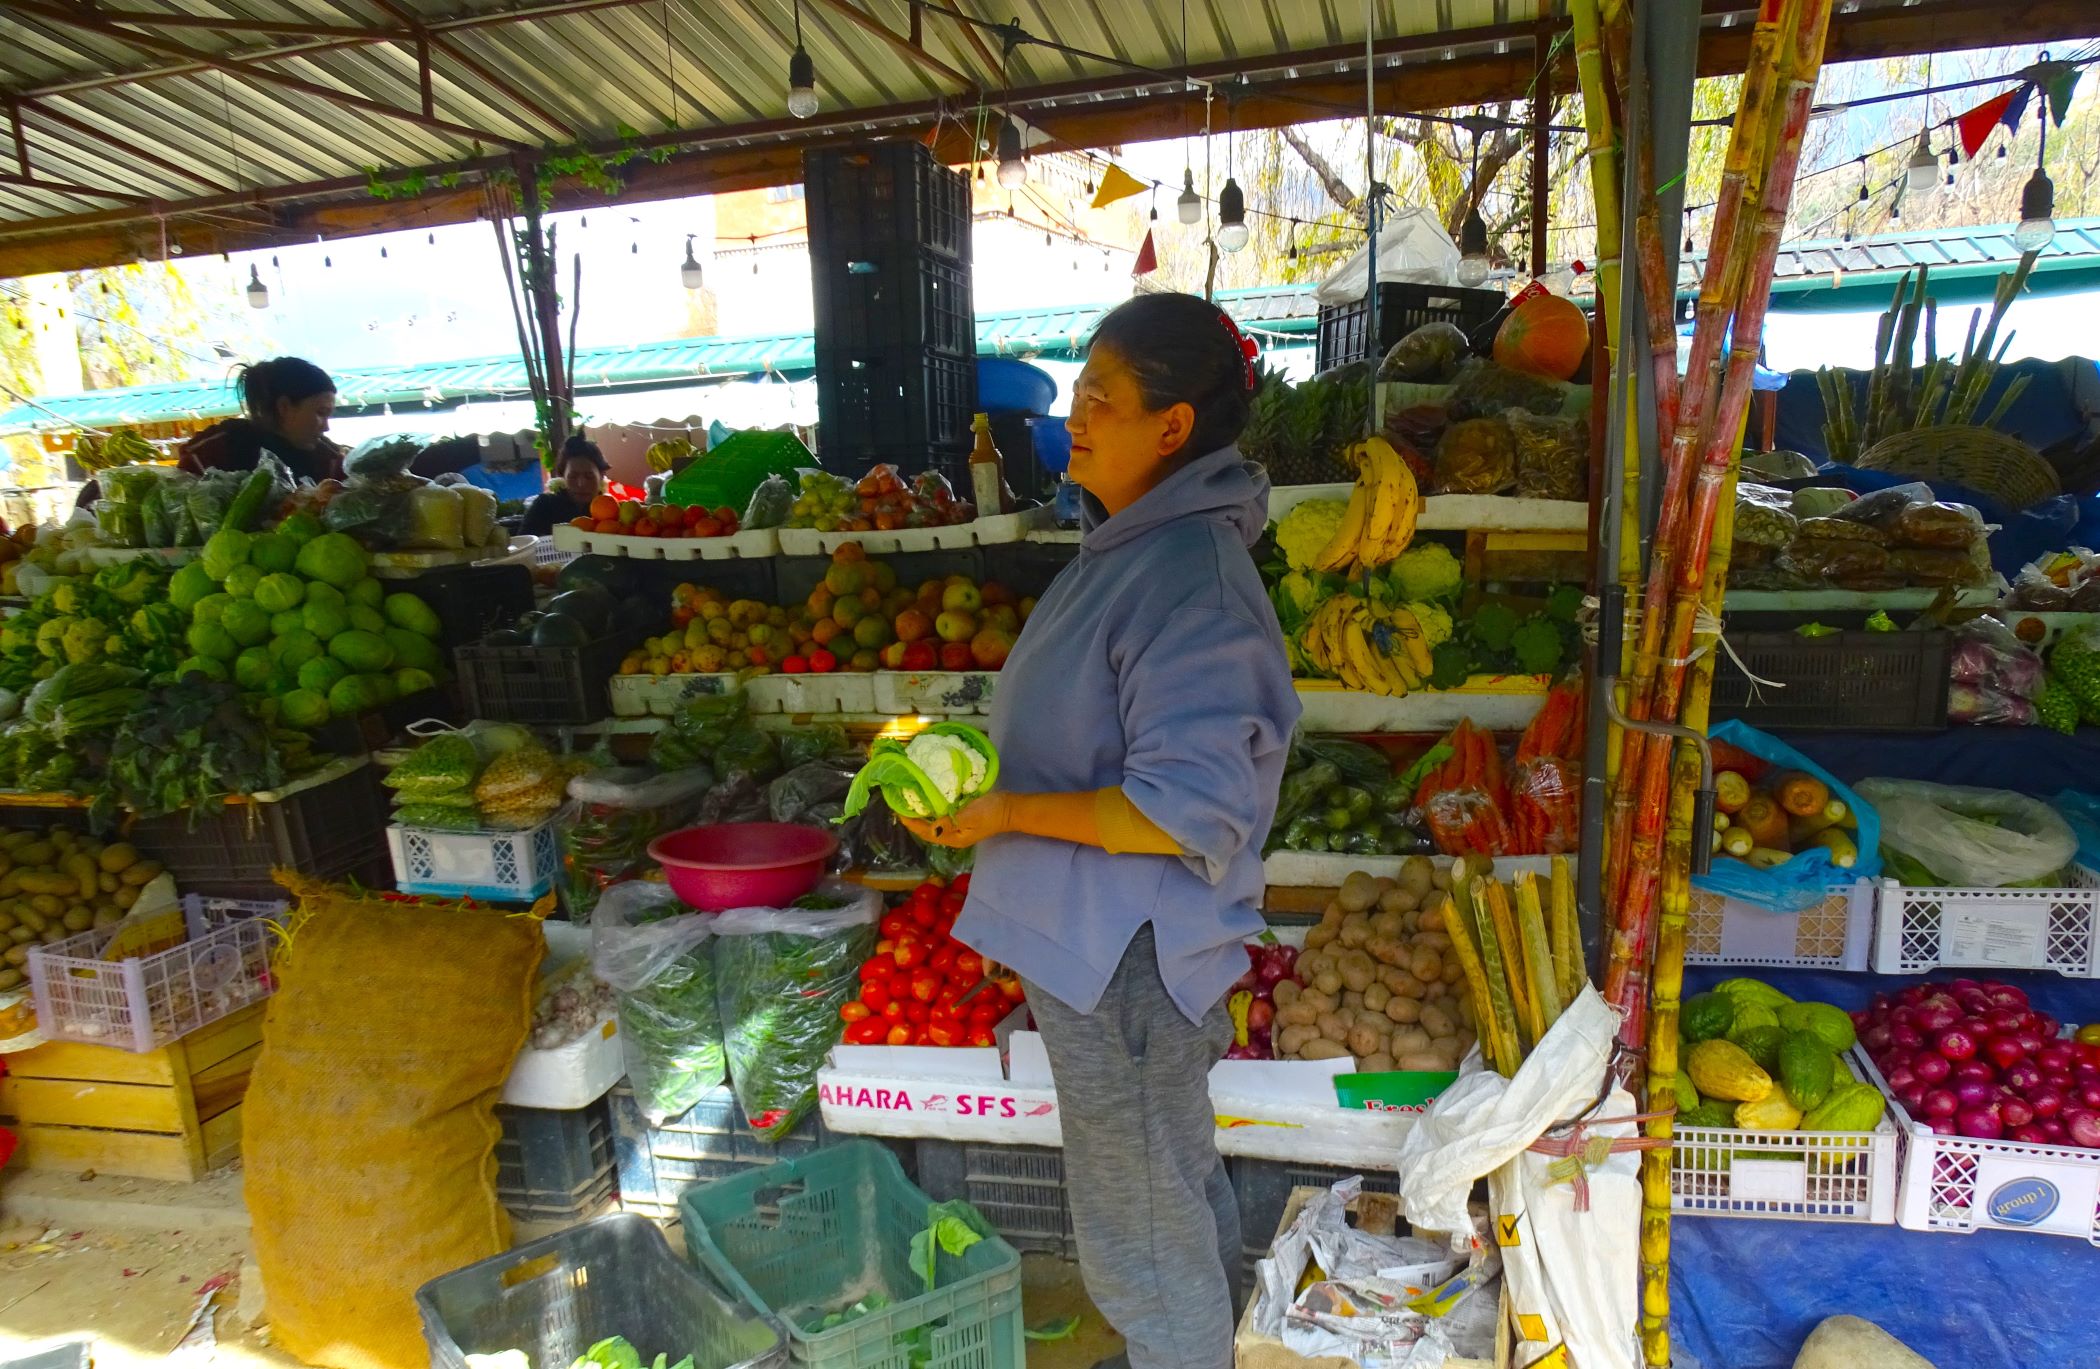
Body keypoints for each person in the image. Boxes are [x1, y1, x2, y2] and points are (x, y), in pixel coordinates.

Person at [900, 292, 1299, 1369]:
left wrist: (1009, 811)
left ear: (1172, 428)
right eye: (1078, 391)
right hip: (1102, 948)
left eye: (1101, 398)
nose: (1074, 414)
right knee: (1166, 1189)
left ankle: (1177, 1348)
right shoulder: (1129, 548)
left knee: (1138, 1224)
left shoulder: (1189, 580)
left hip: (1129, 959)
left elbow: (1185, 807)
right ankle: (1184, 1348)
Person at [179, 356, 343, 482]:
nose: (326, 427)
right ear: (284, 407)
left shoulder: (329, 462)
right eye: (321, 413)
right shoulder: (211, 453)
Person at [521, 434, 609, 534]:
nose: (581, 484)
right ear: (563, 476)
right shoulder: (544, 506)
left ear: (601, 475)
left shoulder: (611, 513)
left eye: (589, 476)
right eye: (573, 476)